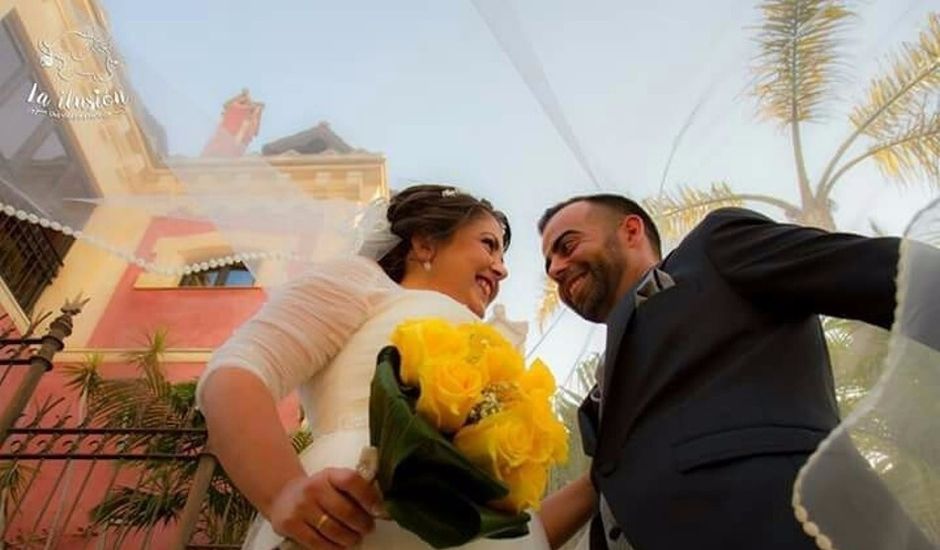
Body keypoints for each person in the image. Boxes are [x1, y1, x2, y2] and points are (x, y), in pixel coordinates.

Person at [197, 184, 594, 550]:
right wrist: (282, 490)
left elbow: (519, 522)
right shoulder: (361, 282)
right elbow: (236, 374)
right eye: (488, 245)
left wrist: (601, 481)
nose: (501, 268)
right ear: (424, 244)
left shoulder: (497, 344)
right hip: (353, 524)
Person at [537, 194, 936, 550]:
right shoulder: (598, 397)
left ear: (631, 229)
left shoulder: (712, 251)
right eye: (549, 262)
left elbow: (882, 272)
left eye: (566, 246)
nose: (556, 267)